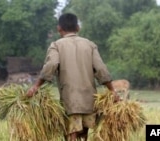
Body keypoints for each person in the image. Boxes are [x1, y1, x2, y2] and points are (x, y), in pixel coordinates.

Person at [26, 13, 119, 141]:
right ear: (78, 28)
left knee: (71, 135)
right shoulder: (90, 45)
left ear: (59, 28)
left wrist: (36, 86)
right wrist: (112, 91)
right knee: (84, 135)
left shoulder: (56, 45)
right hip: (89, 101)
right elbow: (101, 69)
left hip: (70, 101)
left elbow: (52, 64)